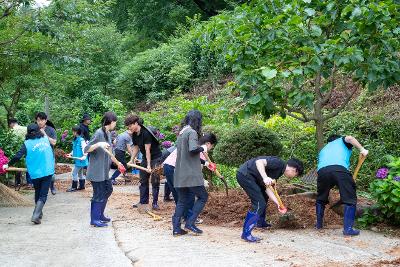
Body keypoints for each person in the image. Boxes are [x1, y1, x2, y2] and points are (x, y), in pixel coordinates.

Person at [237, 156, 304, 242]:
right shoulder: (279, 163)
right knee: (259, 203)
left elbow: (267, 189)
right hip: (245, 175)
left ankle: (260, 222)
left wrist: (278, 204)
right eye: (296, 175)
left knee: (264, 198)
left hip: (250, 177)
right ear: (294, 169)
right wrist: (265, 177)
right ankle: (246, 234)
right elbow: (259, 162)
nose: (293, 177)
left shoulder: (279, 172)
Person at [316, 135, 369, 236]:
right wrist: (362, 149)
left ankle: (319, 225)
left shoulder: (324, 149)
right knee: (350, 199)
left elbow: (324, 166)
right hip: (339, 169)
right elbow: (350, 138)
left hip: (322, 172)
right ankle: (348, 229)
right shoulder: (340, 141)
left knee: (321, 198)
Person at [4, 124, 55, 224]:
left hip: (35, 173)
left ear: (28, 132)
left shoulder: (26, 143)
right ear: (39, 131)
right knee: (43, 195)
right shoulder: (45, 139)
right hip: (47, 171)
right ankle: (36, 215)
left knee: (37, 192)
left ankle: (38, 213)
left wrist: (8, 164)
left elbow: (18, 156)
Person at [163, 133, 217, 222]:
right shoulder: (200, 150)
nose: (211, 148)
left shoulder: (194, 144)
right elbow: (196, 170)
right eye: (212, 146)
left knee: (179, 194)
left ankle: (182, 217)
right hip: (176, 168)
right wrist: (202, 181)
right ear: (208, 143)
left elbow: (196, 160)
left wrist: (206, 163)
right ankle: (189, 217)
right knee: (189, 193)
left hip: (168, 166)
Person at [84, 112, 126, 227]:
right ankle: (95, 219)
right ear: (111, 121)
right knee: (99, 194)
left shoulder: (108, 133)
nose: (115, 124)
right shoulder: (98, 133)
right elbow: (86, 149)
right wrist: (98, 144)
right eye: (115, 122)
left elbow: (110, 152)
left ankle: (100, 214)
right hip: (96, 171)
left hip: (104, 171)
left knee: (108, 190)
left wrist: (118, 163)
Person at [172, 110, 209, 236]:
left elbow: (186, 154)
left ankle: (176, 228)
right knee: (203, 197)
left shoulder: (181, 133)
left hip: (180, 173)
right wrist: (203, 148)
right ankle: (190, 222)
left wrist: (205, 163)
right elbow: (193, 149)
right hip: (191, 174)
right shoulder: (192, 132)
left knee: (182, 200)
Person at [128, 115, 163, 210]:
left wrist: (148, 165)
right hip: (145, 158)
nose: (129, 128)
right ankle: (143, 202)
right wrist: (131, 159)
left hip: (155, 157)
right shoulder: (134, 134)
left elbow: (148, 150)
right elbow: (136, 147)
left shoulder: (146, 133)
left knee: (155, 181)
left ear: (136, 123)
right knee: (143, 180)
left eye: (130, 125)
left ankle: (155, 203)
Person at [35, 112, 58, 195]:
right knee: (39, 173)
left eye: (42, 120)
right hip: (38, 156)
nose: (40, 122)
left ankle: (52, 186)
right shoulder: (34, 129)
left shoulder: (51, 130)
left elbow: (54, 142)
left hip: (49, 156)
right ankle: (41, 191)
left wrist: (44, 134)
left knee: (51, 174)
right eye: (38, 120)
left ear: (45, 120)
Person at [110, 117, 135, 184]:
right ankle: (112, 178)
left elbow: (115, 142)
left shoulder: (122, 134)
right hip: (120, 152)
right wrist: (133, 157)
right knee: (122, 166)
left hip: (117, 151)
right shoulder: (128, 137)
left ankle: (126, 178)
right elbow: (129, 148)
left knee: (122, 165)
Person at [66, 126, 88, 192]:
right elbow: (74, 149)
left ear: (77, 132)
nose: (73, 132)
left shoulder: (81, 140)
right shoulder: (75, 140)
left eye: (74, 131)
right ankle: (82, 186)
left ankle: (74, 187)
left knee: (74, 173)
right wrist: (70, 154)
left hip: (81, 160)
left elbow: (85, 149)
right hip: (78, 160)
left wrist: (84, 156)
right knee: (80, 173)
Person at [8, 118, 28, 188]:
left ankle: (18, 182)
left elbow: (10, 143)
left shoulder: (11, 131)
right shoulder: (25, 128)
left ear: (11, 124)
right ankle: (30, 183)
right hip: (27, 149)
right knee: (27, 164)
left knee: (17, 165)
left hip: (17, 151)